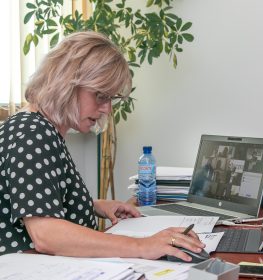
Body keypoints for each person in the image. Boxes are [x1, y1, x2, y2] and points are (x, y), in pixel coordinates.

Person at [0, 31, 204, 261]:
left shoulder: (42, 128)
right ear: (66, 85)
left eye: (110, 98)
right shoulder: (32, 133)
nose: (107, 109)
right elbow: (46, 235)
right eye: (100, 96)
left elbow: (34, 201)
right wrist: (142, 246)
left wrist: (91, 205)